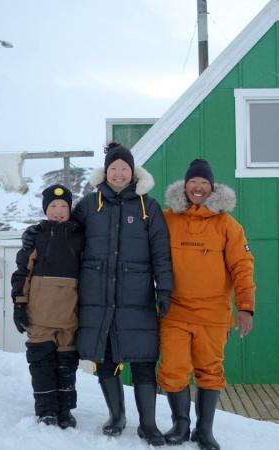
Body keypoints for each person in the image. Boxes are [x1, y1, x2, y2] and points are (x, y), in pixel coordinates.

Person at [72, 142, 173, 446]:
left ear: (133, 173)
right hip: (98, 298)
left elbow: (161, 252)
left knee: (143, 360)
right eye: (113, 168)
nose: (118, 173)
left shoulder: (149, 207)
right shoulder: (89, 205)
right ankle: (116, 416)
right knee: (105, 358)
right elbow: (70, 244)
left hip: (137, 299)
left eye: (124, 168)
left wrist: (164, 289)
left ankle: (148, 424)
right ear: (106, 172)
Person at [159, 159, 255, 450]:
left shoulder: (228, 225)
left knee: (210, 371)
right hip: (174, 311)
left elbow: (242, 266)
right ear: (184, 186)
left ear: (212, 188)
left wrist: (246, 307)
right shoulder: (167, 219)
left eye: (203, 183)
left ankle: (204, 430)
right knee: (173, 369)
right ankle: (180, 425)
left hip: (213, 314)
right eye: (193, 183)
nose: (198, 188)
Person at [10, 184, 85, 429]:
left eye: (64, 206)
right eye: (53, 206)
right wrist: (19, 304)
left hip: (70, 316)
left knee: (66, 365)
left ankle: (65, 410)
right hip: (39, 314)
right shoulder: (36, 236)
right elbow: (22, 273)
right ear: (45, 209)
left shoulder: (80, 236)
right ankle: (46, 411)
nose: (59, 210)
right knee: (41, 364)